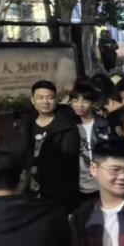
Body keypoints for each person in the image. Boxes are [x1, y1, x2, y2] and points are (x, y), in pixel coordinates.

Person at [26, 79, 81, 213]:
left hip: (59, 191)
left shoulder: (67, 126)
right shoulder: (26, 125)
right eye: (40, 98)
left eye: (50, 97)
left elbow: (69, 161)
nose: (45, 102)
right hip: (32, 190)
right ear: (33, 100)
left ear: (56, 100)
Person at [70, 79, 111, 207]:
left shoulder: (103, 125)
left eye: (85, 101)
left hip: (100, 182)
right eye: (75, 100)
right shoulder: (69, 125)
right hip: (77, 184)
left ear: (92, 103)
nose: (79, 105)